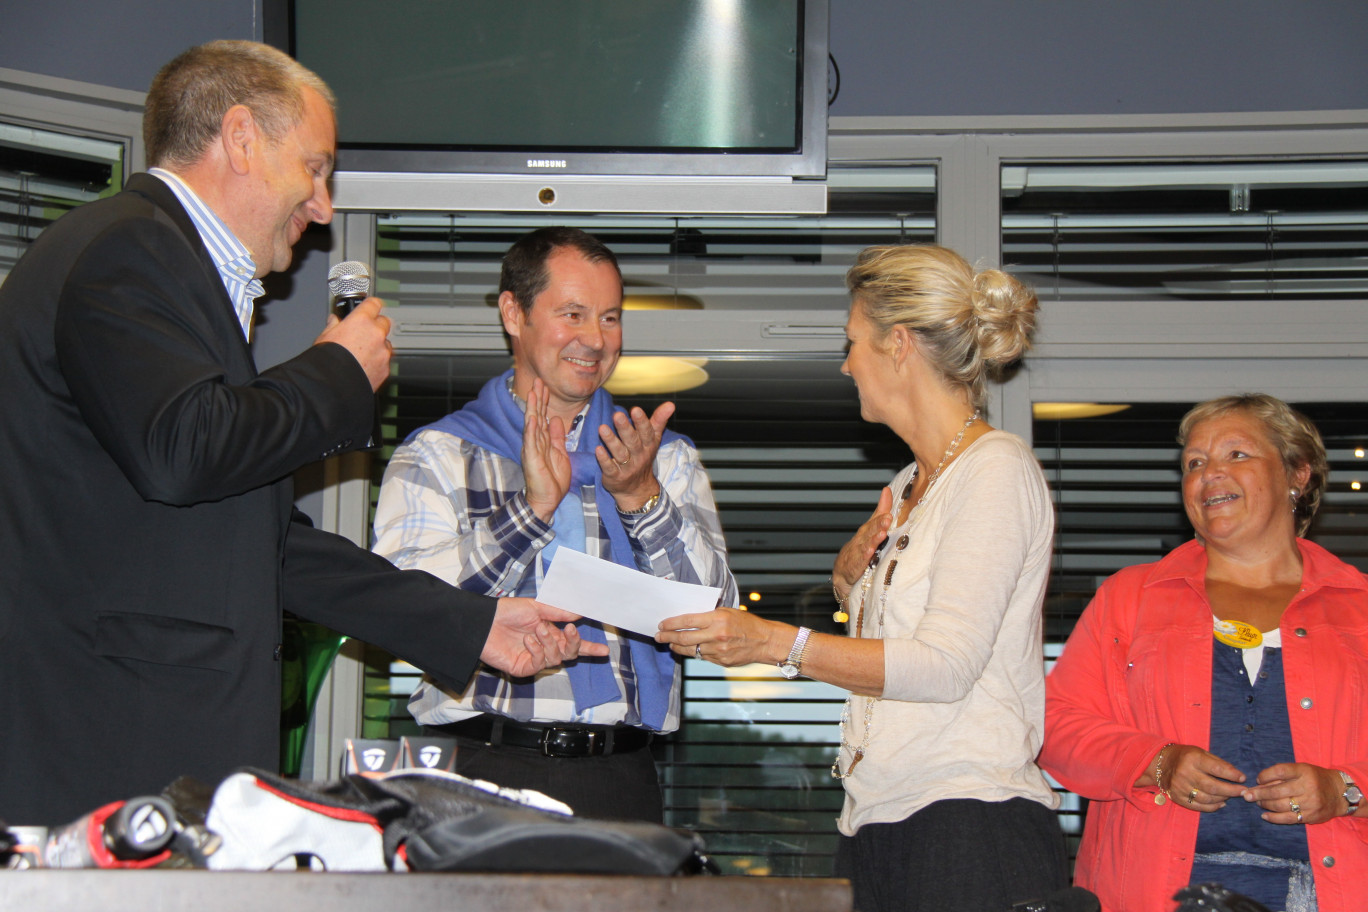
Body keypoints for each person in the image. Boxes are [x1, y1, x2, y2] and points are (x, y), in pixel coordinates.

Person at [0, 41, 603, 827]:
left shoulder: (165, 269)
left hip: (139, 743)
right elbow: (180, 450)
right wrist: (336, 372)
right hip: (109, 744)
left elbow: (265, 544)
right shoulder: (130, 246)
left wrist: (472, 625)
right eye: (315, 169)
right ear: (242, 137)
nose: (322, 207)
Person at [655, 244, 1068, 911]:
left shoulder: (995, 470)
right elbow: (907, 632)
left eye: (852, 343)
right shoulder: (910, 484)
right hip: (879, 818)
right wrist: (849, 582)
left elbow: (944, 666)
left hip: (969, 824)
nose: (847, 364)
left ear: (898, 344)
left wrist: (772, 643)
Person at [372, 226, 737, 822]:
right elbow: (403, 611)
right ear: (513, 313)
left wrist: (642, 499)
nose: (595, 339)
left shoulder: (662, 457)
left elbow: (714, 619)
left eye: (611, 317)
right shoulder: (436, 454)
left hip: (623, 780)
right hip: (482, 774)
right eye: (573, 313)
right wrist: (532, 511)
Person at [1041, 394, 1368, 912]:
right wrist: (1156, 762)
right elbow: (1054, 726)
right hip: (1153, 894)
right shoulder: (1130, 599)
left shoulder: (1361, 610)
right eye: (1195, 463)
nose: (1209, 473)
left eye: (1236, 454)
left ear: (1297, 474)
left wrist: (1346, 790)